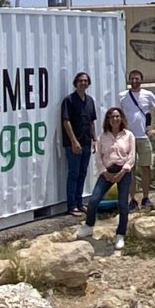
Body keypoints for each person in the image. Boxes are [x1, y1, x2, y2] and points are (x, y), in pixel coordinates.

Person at [76, 106, 136, 249]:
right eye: (112, 117)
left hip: (123, 171)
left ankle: (120, 234)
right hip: (107, 171)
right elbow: (98, 157)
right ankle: (89, 225)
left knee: (123, 204)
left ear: (121, 118)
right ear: (108, 120)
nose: (115, 119)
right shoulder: (102, 137)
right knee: (94, 200)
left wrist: (122, 173)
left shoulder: (129, 135)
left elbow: (132, 157)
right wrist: (105, 172)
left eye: (117, 116)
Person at [117, 71, 155, 209]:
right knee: (130, 168)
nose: (134, 81)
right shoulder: (122, 96)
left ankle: (146, 197)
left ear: (141, 80)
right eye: (132, 79)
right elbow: (118, 115)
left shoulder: (148, 95)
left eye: (137, 78)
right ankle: (132, 199)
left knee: (146, 167)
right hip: (128, 138)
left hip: (143, 136)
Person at [60, 71, 98, 216]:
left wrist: (94, 139)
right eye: (80, 81)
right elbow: (66, 121)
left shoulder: (90, 101)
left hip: (86, 142)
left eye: (85, 81)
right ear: (76, 83)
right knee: (74, 173)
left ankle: (79, 202)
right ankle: (72, 205)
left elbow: (91, 121)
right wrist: (74, 141)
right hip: (73, 144)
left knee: (82, 173)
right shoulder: (69, 100)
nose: (83, 83)